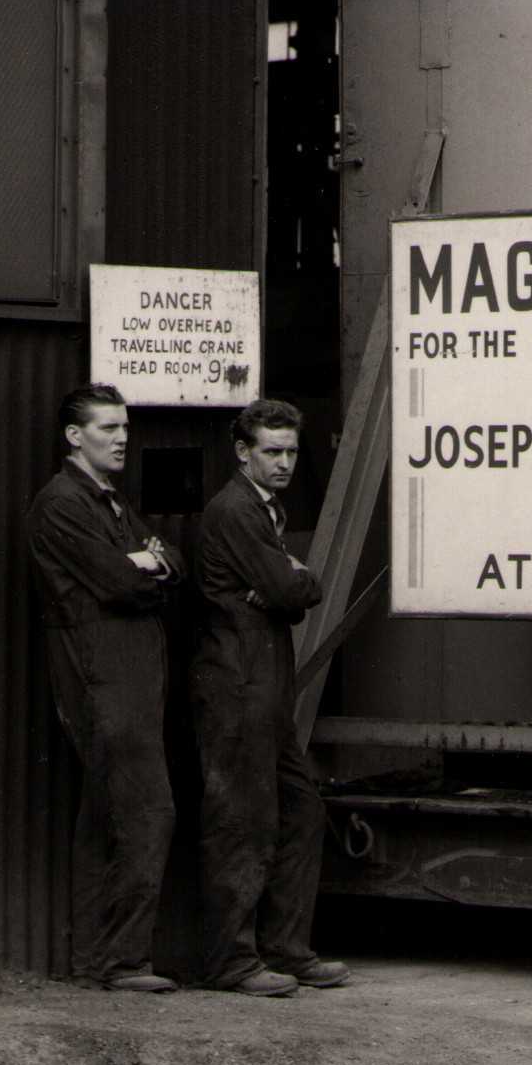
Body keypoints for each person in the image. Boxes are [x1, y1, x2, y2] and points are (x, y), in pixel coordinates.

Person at [25, 383, 180, 993]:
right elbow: (119, 582)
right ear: (74, 436)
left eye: (124, 427)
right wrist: (142, 565)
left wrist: (151, 562)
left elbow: (173, 561)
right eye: (108, 428)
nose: (121, 439)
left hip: (127, 674)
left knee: (107, 812)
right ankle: (122, 962)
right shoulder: (61, 504)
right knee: (146, 810)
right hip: (102, 674)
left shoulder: (107, 500)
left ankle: (95, 959)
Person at [192, 399, 346, 997]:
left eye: (291, 452)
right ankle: (229, 962)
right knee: (242, 821)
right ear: (243, 452)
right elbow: (288, 588)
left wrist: (285, 586)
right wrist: (288, 580)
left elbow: (284, 593)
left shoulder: (263, 510)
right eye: (272, 451)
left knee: (301, 810)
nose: (284, 463)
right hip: (237, 688)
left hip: (264, 688)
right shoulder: (236, 510)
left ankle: (286, 949)